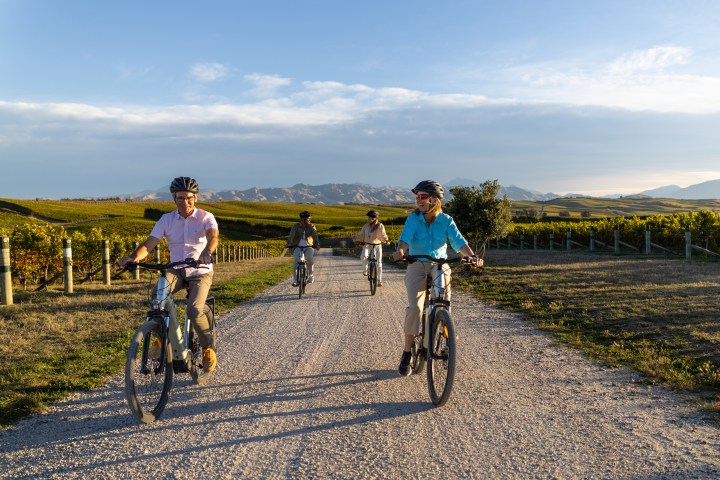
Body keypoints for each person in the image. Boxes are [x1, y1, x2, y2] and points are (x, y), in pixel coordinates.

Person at [118, 176, 219, 373]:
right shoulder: (166, 219)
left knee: (194, 310)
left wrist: (208, 252)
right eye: (180, 198)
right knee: (157, 297)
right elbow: (149, 244)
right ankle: (160, 339)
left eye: (189, 197)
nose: (185, 202)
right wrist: (133, 258)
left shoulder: (206, 217)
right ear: (174, 198)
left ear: (195, 197)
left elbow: (213, 236)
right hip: (176, 269)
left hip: (200, 270)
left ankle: (208, 347)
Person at [391, 180, 483, 377]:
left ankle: (446, 332)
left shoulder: (447, 221)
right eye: (417, 197)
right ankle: (407, 352)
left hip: (439, 264)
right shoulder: (413, 219)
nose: (418, 200)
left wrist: (472, 256)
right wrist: (400, 251)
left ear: (434, 200)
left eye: (422, 196)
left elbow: (459, 242)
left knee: (444, 301)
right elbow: (404, 240)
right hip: (416, 263)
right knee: (415, 308)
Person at [352, 210, 390, 286]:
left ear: (374, 218)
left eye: (370, 217)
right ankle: (365, 270)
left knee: (379, 263)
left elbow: (382, 234)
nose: (368, 219)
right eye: (368, 217)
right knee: (363, 256)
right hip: (367, 245)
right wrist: (356, 238)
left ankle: (379, 280)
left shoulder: (380, 225)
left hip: (377, 245)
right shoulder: (366, 226)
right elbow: (361, 234)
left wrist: (386, 240)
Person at [286, 211, 321, 285]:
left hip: (308, 246)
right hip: (297, 246)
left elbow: (315, 235)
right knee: (295, 261)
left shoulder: (311, 226)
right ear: (302, 219)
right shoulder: (296, 226)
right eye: (307, 218)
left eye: (309, 218)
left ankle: (311, 275)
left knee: (310, 260)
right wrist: (289, 243)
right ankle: (295, 280)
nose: (309, 220)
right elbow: (291, 235)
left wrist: (316, 244)